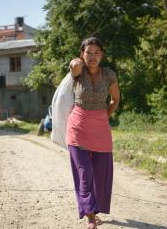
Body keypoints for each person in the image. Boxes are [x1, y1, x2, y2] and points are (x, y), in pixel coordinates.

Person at [66, 37, 120, 229]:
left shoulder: (109, 75)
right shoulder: (78, 72)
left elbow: (115, 99)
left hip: (100, 129)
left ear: (102, 55)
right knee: (84, 173)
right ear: (82, 54)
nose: (93, 56)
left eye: (97, 52)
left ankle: (97, 208)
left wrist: (104, 116)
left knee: (101, 173)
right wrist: (76, 62)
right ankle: (90, 216)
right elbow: (73, 68)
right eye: (88, 52)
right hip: (77, 129)